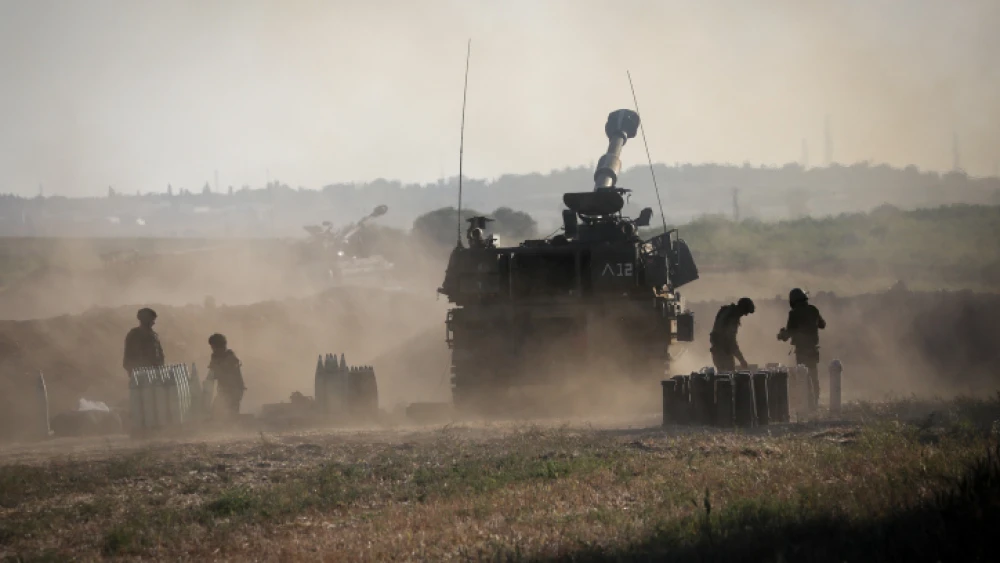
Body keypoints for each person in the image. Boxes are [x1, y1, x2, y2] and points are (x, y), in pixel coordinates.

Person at [778, 288, 826, 409]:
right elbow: (822, 325)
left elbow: (789, 332)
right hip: (813, 349)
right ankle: (815, 403)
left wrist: (782, 335)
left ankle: (808, 404)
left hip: (802, 350)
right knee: (813, 376)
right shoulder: (813, 310)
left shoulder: (793, 313)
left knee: (803, 377)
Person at [709, 297, 755, 372]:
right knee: (729, 377)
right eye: (745, 312)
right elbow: (731, 342)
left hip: (717, 351)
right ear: (743, 309)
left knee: (722, 377)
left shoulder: (727, 311)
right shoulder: (732, 317)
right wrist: (742, 360)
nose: (745, 315)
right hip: (723, 353)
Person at [207, 333, 246, 420]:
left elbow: (224, 372)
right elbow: (212, 374)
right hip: (223, 390)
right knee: (215, 412)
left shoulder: (230, 357)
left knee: (231, 414)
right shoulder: (216, 357)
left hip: (234, 390)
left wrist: (216, 366)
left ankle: (233, 431)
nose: (212, 350)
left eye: (213, 347)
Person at [122, 308, 165, 377]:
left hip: (155, 375)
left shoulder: (154, 336)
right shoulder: (134, 335)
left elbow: (160, 355)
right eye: (152, 320)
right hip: (140, 376)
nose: (153, 323)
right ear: (146, 320)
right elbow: (129, 358)